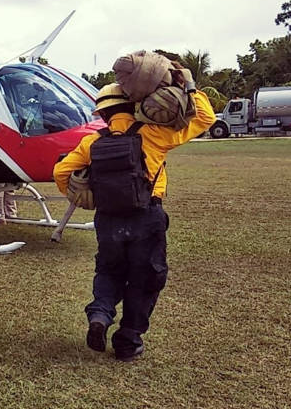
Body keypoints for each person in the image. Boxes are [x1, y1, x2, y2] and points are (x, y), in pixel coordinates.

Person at [53, 83, 215, 361]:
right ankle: (128, 341)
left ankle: (101, 313)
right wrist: (189, 86)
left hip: (107, 218)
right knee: (146, 277)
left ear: (104, 115)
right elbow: (205, 118)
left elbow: (61, 171)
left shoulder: (92, 142)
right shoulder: (155, 134)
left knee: (108, 270)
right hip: (146, 216)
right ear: (135, 106)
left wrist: (84, 195)